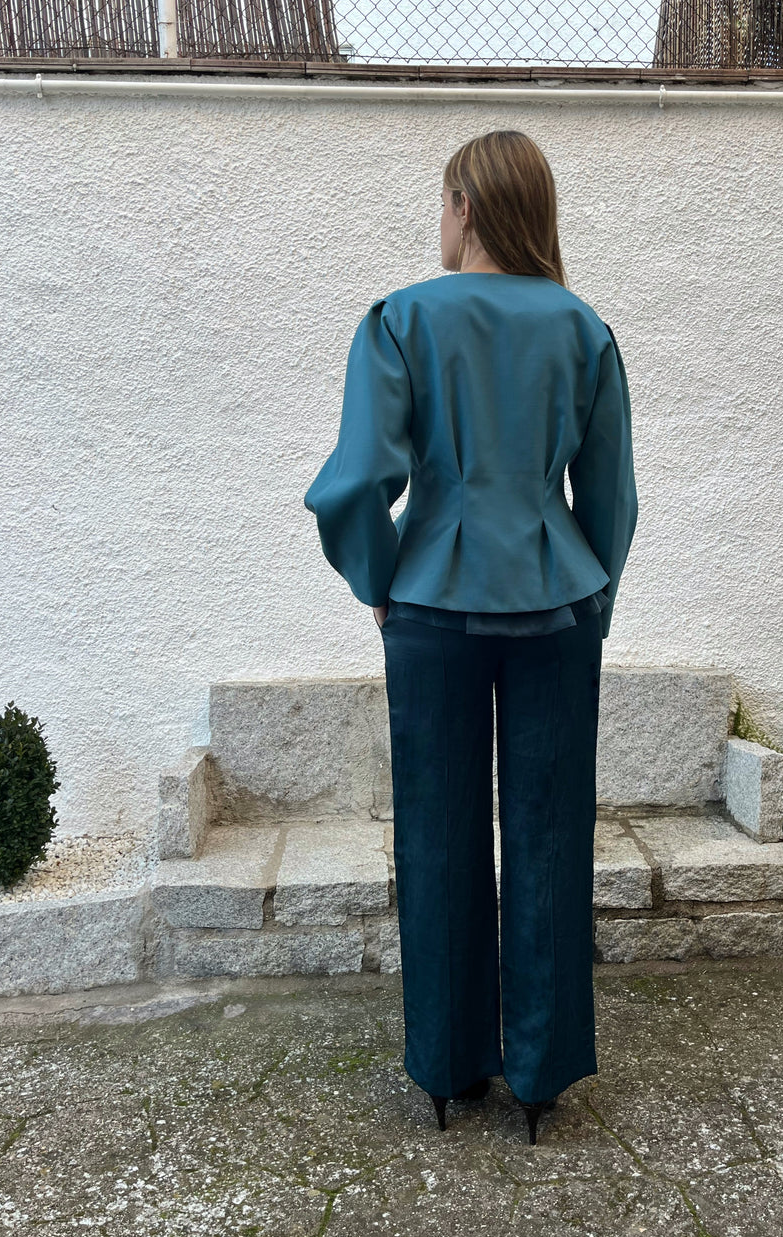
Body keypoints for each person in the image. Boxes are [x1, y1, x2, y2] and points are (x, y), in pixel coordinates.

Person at [304, 129, 638, 1145]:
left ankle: (449, 1069)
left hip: (434, 606)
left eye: (440, 203)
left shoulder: (401, 318)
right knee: (548, 829)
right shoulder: (584, 329)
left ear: (462, 204)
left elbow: (360, 478)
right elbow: (611, 500)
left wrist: (377, 575)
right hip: (556, 604)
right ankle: (538, 1078)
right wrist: (594, 602)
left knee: (438, 826)